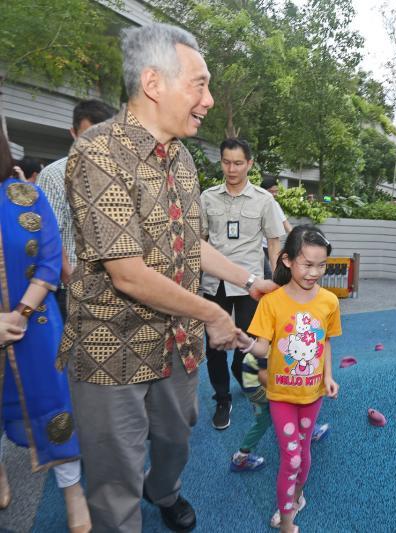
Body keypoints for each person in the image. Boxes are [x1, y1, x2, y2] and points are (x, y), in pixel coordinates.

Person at [60, 23, 277, 532]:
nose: (209, 98)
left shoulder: (179, 158)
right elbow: (128, 273)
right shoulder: (96, 153)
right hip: (111, 347)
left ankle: (164, 491)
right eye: (199, 84)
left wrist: (249, 280)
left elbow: (192, 244)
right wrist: (213, 314)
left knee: (178, 437)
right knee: (116, 473)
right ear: (154, 83)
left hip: (176, 340)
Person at [0, 130, 90, 532]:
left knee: (56, 406)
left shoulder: (24, 195)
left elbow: (52, 257)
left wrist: (19, 312)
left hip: (33, 326)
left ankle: (73, 494)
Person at [235, 225, 341, 533]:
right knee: (291, 457)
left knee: (304, 451)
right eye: (307, 264)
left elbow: (326, 343)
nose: (315, 272)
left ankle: (296, 497)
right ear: (287, 261)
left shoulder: (329, 302)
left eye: (321, 265)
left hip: (313, 395)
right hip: (281, 395)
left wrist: (329, 376)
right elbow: (262, 348)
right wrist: (243, 341)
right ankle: (287, 523)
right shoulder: (272, 302)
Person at [200, 138, 285, 430]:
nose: (231, 168)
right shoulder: (207, 197)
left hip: (251, 283)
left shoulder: (264, 200)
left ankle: (241, 372)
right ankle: (222, 399)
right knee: (214, 345)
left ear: (249, 163)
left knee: (249, 341)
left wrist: (277, 284)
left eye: (238, 163)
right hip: (215, 283)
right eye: (226, 162)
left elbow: (274, 245)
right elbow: (199, 241)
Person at [37, 99, 117, 317]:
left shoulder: (120, 174)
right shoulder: (54, 176)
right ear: (73, 133)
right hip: (71, 288)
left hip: (114, 290)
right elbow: (50, 236)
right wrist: (71, 281)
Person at [261, 176, 294, 280]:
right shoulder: (255, 203)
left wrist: (298, 236)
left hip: (271, 246)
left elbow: (285, 223)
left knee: (274, 274)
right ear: (263, 191)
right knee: (266, 274)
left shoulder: (274, 204)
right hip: (258, 246)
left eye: (276, 192)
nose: (274, 194)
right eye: (271, 191)